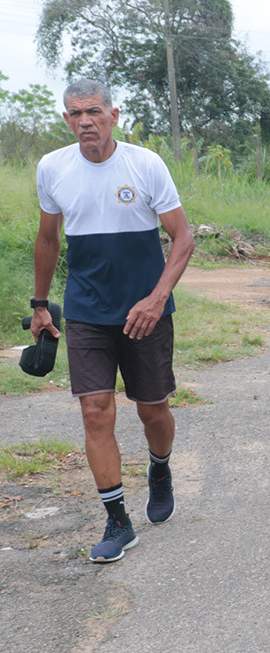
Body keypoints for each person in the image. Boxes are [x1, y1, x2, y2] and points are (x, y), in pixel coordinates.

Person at [32, 79, 195, 562]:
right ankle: (118, 521)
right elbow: (47, 240)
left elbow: (182, 237)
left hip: (145, 312)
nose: (86, 121)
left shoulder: (144, 164)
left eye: (95, 112)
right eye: (76, 113)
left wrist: (156, 297)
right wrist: (40, 303)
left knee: (153, 410)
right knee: (95, 411)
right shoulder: (53, 168)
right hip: (85, 311)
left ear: (114, 115)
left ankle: (160, 467)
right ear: (66, 120)